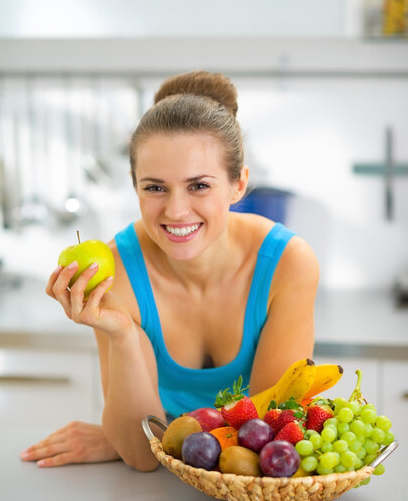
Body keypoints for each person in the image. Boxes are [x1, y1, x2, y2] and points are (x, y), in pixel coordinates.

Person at [20, 70, 319, 471]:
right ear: (134, 184)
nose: (176, 211)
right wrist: (123, 333)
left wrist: (139, 435)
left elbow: (267, 442)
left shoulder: (288, 264)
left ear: (238, 184)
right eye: (155, 187)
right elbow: (143, 458)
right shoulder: (117, 272)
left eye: (198, 186)